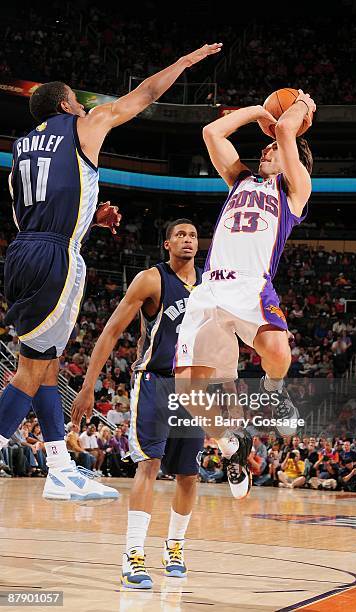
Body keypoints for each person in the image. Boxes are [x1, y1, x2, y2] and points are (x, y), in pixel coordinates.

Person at [0, 41, 222, 503]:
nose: (84, 106)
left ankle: (59, 466)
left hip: (23, 252)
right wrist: (181, 63)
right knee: (29, 370)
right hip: (53, 255)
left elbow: (34, 210)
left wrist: (86, 219)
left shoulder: (21, 147)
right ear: (66, 104)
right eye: (77, 101)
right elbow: (140, 97)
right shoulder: (85, 124)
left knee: (48, 362)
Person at [174, 90, 316, 499]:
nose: (269, 146)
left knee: (278, 350)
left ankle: (274, 395)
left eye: (275, 147)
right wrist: (258, 111)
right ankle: (231, 444)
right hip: (210, 290)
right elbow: (211, 131)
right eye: (268, 144)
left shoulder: (294, 192)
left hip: (251, 283)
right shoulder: (240, 179)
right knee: (188, 395)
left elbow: (288, 130)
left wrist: (301, 104)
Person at [72, 219, 204, 589]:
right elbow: (112, 330)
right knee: (148, 465)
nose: (187, 240)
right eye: (180, 234)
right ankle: (133, 555)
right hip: (155, 382)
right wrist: (88, 384)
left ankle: (174, 548)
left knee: (189, 475)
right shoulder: (151, 279)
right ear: (166, 243)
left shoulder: (211, 283)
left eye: (193, 235)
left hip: (194, 387)